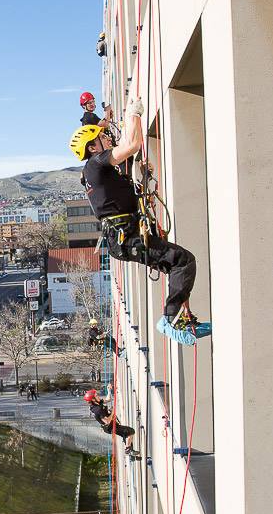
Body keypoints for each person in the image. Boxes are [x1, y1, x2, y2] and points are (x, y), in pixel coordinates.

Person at [70, 96, 198, 337]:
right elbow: (132, 144)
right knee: (183, 260)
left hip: (127, 237)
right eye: (103, 138)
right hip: (128, 237)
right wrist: (133, 114)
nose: (107, 138)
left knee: (175, 264)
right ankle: (172, 318)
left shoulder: (97, 172)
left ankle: (180, 318)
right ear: (92, 147)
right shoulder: (96, 164)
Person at [84, 389, 138, 457]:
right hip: (110, 427)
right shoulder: (97, 409)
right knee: (131, 431)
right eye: (96, 395)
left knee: (125, 433)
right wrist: (112, 412)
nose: (98, 396)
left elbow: (108, 399)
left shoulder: (98, 403)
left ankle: (130, 450)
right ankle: (128, 449)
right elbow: (107, 421)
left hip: (111, 424)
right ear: (93, 400)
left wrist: (109, 390)